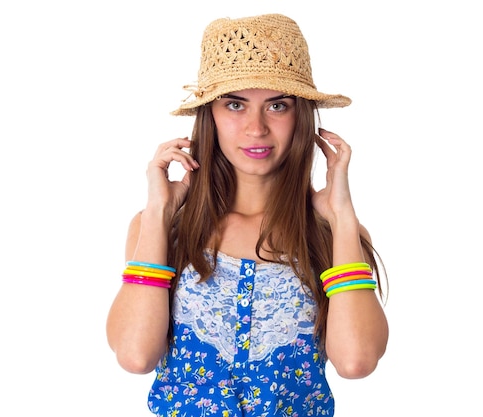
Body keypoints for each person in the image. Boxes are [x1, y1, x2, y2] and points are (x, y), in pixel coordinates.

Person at [106, 13, 389, 416]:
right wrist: (158, 212)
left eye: (277, 105)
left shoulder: (334, 235)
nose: (256, 128)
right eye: (235, 104)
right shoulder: (163, 228)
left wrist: (342, 217)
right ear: (211, 117)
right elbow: (135, 356)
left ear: (301, 117)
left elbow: (356, 361)